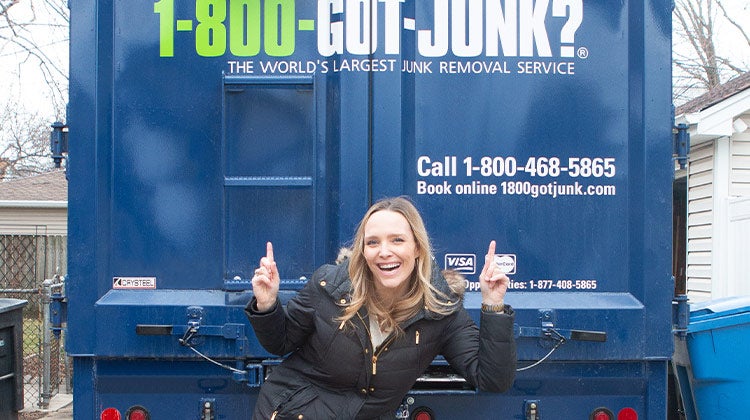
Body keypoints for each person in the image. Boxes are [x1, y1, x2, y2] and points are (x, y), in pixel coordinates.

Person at [246, 196, 516, 419]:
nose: (384, 251)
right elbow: (280, 343)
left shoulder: (440, 309)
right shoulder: (330, 286)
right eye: (373, 242)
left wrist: (493, 305)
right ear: (363, 251)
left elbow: (493, 380)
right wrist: (268, 303)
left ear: (418, 248)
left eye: (397, 240)